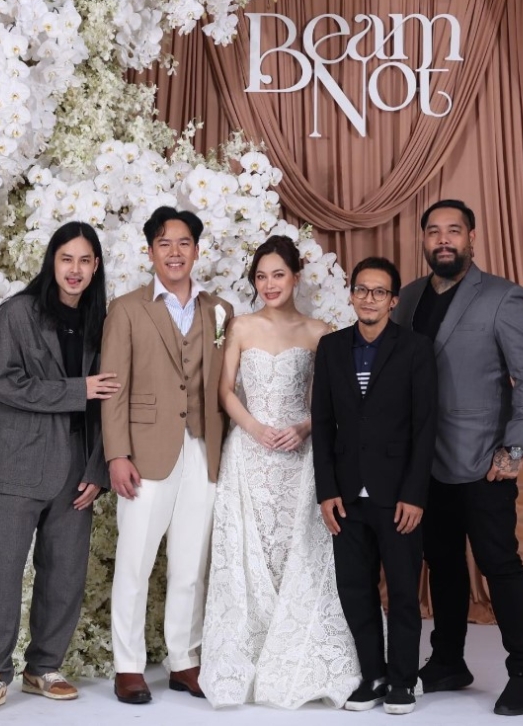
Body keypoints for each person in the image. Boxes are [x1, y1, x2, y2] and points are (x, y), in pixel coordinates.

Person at [392, 199, 523, 717]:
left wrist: (514, 448)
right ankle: (448, 661)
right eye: (434, 231)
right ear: (423, 240)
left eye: (453, 231)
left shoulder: (504, 297)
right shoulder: (408, 298)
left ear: (472, 238)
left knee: (499, 563)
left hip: (485, 461)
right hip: (424, 463)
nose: (443, 239)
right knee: (441, 564)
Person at [200, 236, 361, 709]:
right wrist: (254, 428)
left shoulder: (319, 332)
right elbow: (225, 391)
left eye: (278, 275)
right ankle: (248, 654)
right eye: (261, 276)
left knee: (300, 552)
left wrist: (303, 427)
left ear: (296, 277)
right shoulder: (241, 326)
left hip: (299, 456)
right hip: (249, 456)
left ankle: (297, 654)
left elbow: (328, 401)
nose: (269, 284)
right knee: (249, 553)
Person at [0, 221, 119, 716]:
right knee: (7, 570)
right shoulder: (17, 313)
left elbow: (107, 404)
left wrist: (98, 469)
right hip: (23, 463)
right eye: (66, 258)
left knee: (65, 573)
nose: (75, 270)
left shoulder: (102, 322)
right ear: (53, 261)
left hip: (78, 466)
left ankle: (43, 666)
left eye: (84, 260)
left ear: (95, 266)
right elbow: (2, 383)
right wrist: (78, 389)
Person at [100, 206, 233, 705]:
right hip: (145, 452)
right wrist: (117, 454)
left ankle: (184, 660)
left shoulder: (220, 311)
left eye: (183, 243)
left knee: (191, 563)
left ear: (196, 250)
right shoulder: (126, 309)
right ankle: (128, 666)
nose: (174, 252)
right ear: (150, 252)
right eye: (164, 243)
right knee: (135, 561)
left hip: (203, 447)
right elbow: (113, 388)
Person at [311, 257, 437, 716]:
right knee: (355, 589)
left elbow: (425, 426)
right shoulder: (331, 348)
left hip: (397, 495)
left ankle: (403, 679)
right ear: (351, 295)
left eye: (379, 292)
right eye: (362, 290)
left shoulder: (415, 349)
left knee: (402, 590)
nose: (369, 299)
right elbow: (322, 423)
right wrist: (326, 490)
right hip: (346, 495)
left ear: (393, 300)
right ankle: (374, 675)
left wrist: (414, 494)